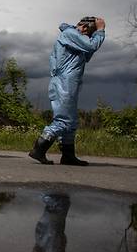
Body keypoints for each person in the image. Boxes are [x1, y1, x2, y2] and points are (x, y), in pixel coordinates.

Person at [29, 16, 106, 166]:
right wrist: (101, 31)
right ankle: (39, 149)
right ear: (83, 27)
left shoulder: (74, 38)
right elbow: (91, 46)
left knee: (71, 122)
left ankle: (68, 155)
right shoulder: (70, 33)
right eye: (89, 32)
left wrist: (95, 35)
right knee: (64, 120)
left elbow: (88, 53)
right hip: (64, 83)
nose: (88, 36)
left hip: (69, 83)